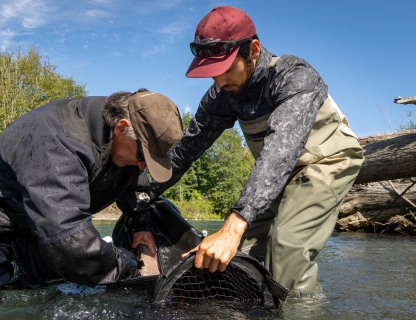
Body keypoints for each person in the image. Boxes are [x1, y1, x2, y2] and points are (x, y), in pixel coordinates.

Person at [151, 6, 364, 293]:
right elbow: (184, 152)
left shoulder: (295, 76)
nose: (219, 81)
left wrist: (232, 227)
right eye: (211, 73)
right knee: (234, 257)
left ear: (253, 49)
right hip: (273, 174)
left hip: (328, 161)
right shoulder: (222, 94)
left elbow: (280, 151)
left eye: (225, 69)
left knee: (286, 246)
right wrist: (139, 194)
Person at [0, 89, 183, 288]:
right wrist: (129, 264)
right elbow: (70, 245)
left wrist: (141, 226)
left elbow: (135, 186)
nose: (143, 165)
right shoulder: (57, 141)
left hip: (40, 235)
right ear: (121, 128)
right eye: (143, 156)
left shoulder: (129, 145)